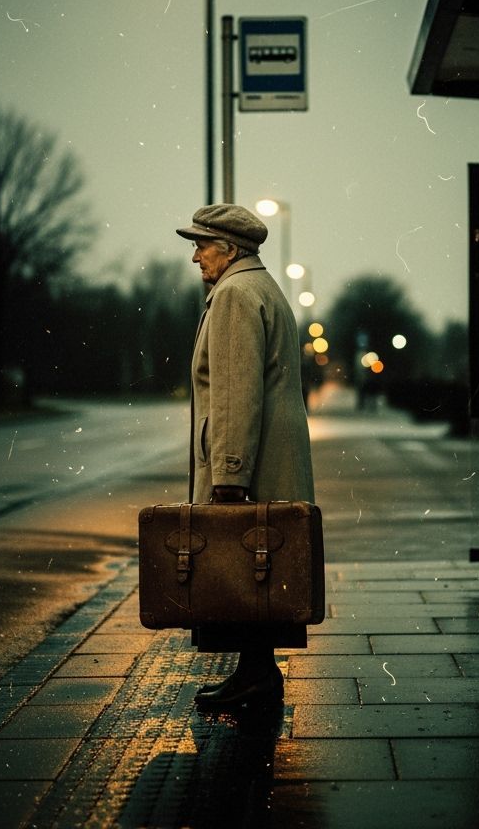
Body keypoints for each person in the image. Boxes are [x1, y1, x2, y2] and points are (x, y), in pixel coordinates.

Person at [175, 203, 315, 709]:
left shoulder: (235, 294)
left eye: (201, 246)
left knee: (245, 564)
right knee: (258, 568)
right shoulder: (260, 287)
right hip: (271, 453)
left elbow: (235, 390)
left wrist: (230, 471)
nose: (196, 257)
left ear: (229, 249)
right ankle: (256, 673)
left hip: (250, 461)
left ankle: (256, 677)